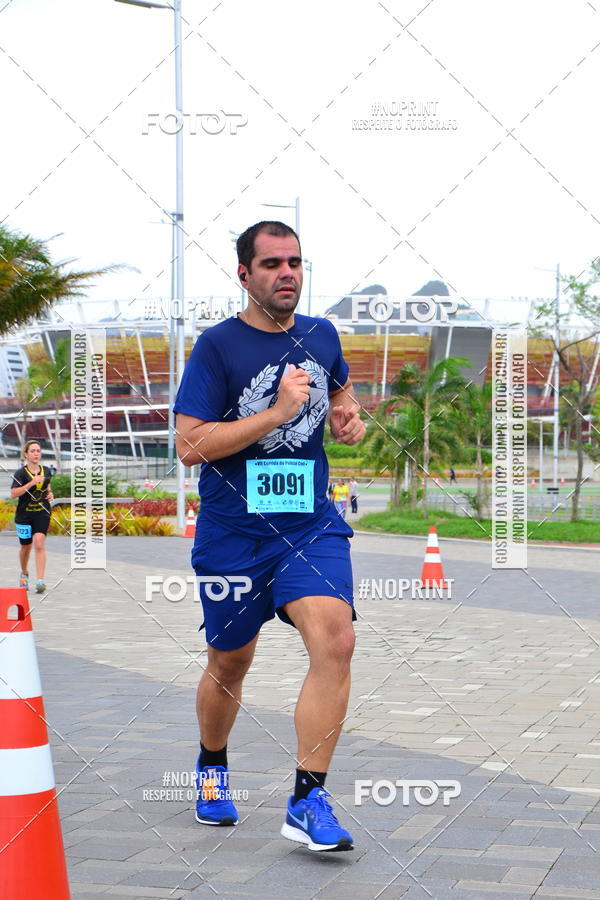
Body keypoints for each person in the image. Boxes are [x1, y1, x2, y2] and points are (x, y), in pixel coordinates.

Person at [174, 221, 365, 852]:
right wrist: (277, 413)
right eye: (272, 264)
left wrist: (347, 416)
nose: (287, 273)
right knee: (230, 662)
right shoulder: (217, 347)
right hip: (234, 535)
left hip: (309, 526)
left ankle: (308, 800)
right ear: (244, 274)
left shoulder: (322, 334)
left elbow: (340, 388)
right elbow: (190, 445)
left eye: (295, 262)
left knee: (336, 639)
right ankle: (211, 766)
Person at [10, 440, 54, 593]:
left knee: (39, 543)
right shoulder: (20, 473)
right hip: (24, 515)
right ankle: (24, 573)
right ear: (26, 454)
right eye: (33, 451)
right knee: (26, 547)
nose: (36, 454)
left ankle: (40, 580)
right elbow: (14, 493)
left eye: (38, 451)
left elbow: (47, 487)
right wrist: (31, 483)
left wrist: (50, 494)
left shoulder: (46, 470)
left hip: (42, 512)